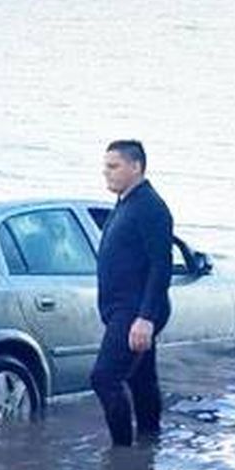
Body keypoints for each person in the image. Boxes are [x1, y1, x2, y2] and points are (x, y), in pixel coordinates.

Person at [90, 139, 173, 447]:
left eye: (114, 166)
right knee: (141, 378)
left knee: (105, 378)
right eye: (105, 167)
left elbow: (161, 265)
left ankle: (122, 453)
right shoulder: (126, 201)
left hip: (136, 310)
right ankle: (149, 447)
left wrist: (146, 318)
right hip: (122, 309)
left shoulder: (151, 207)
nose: (106, 173)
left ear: (136, 167)